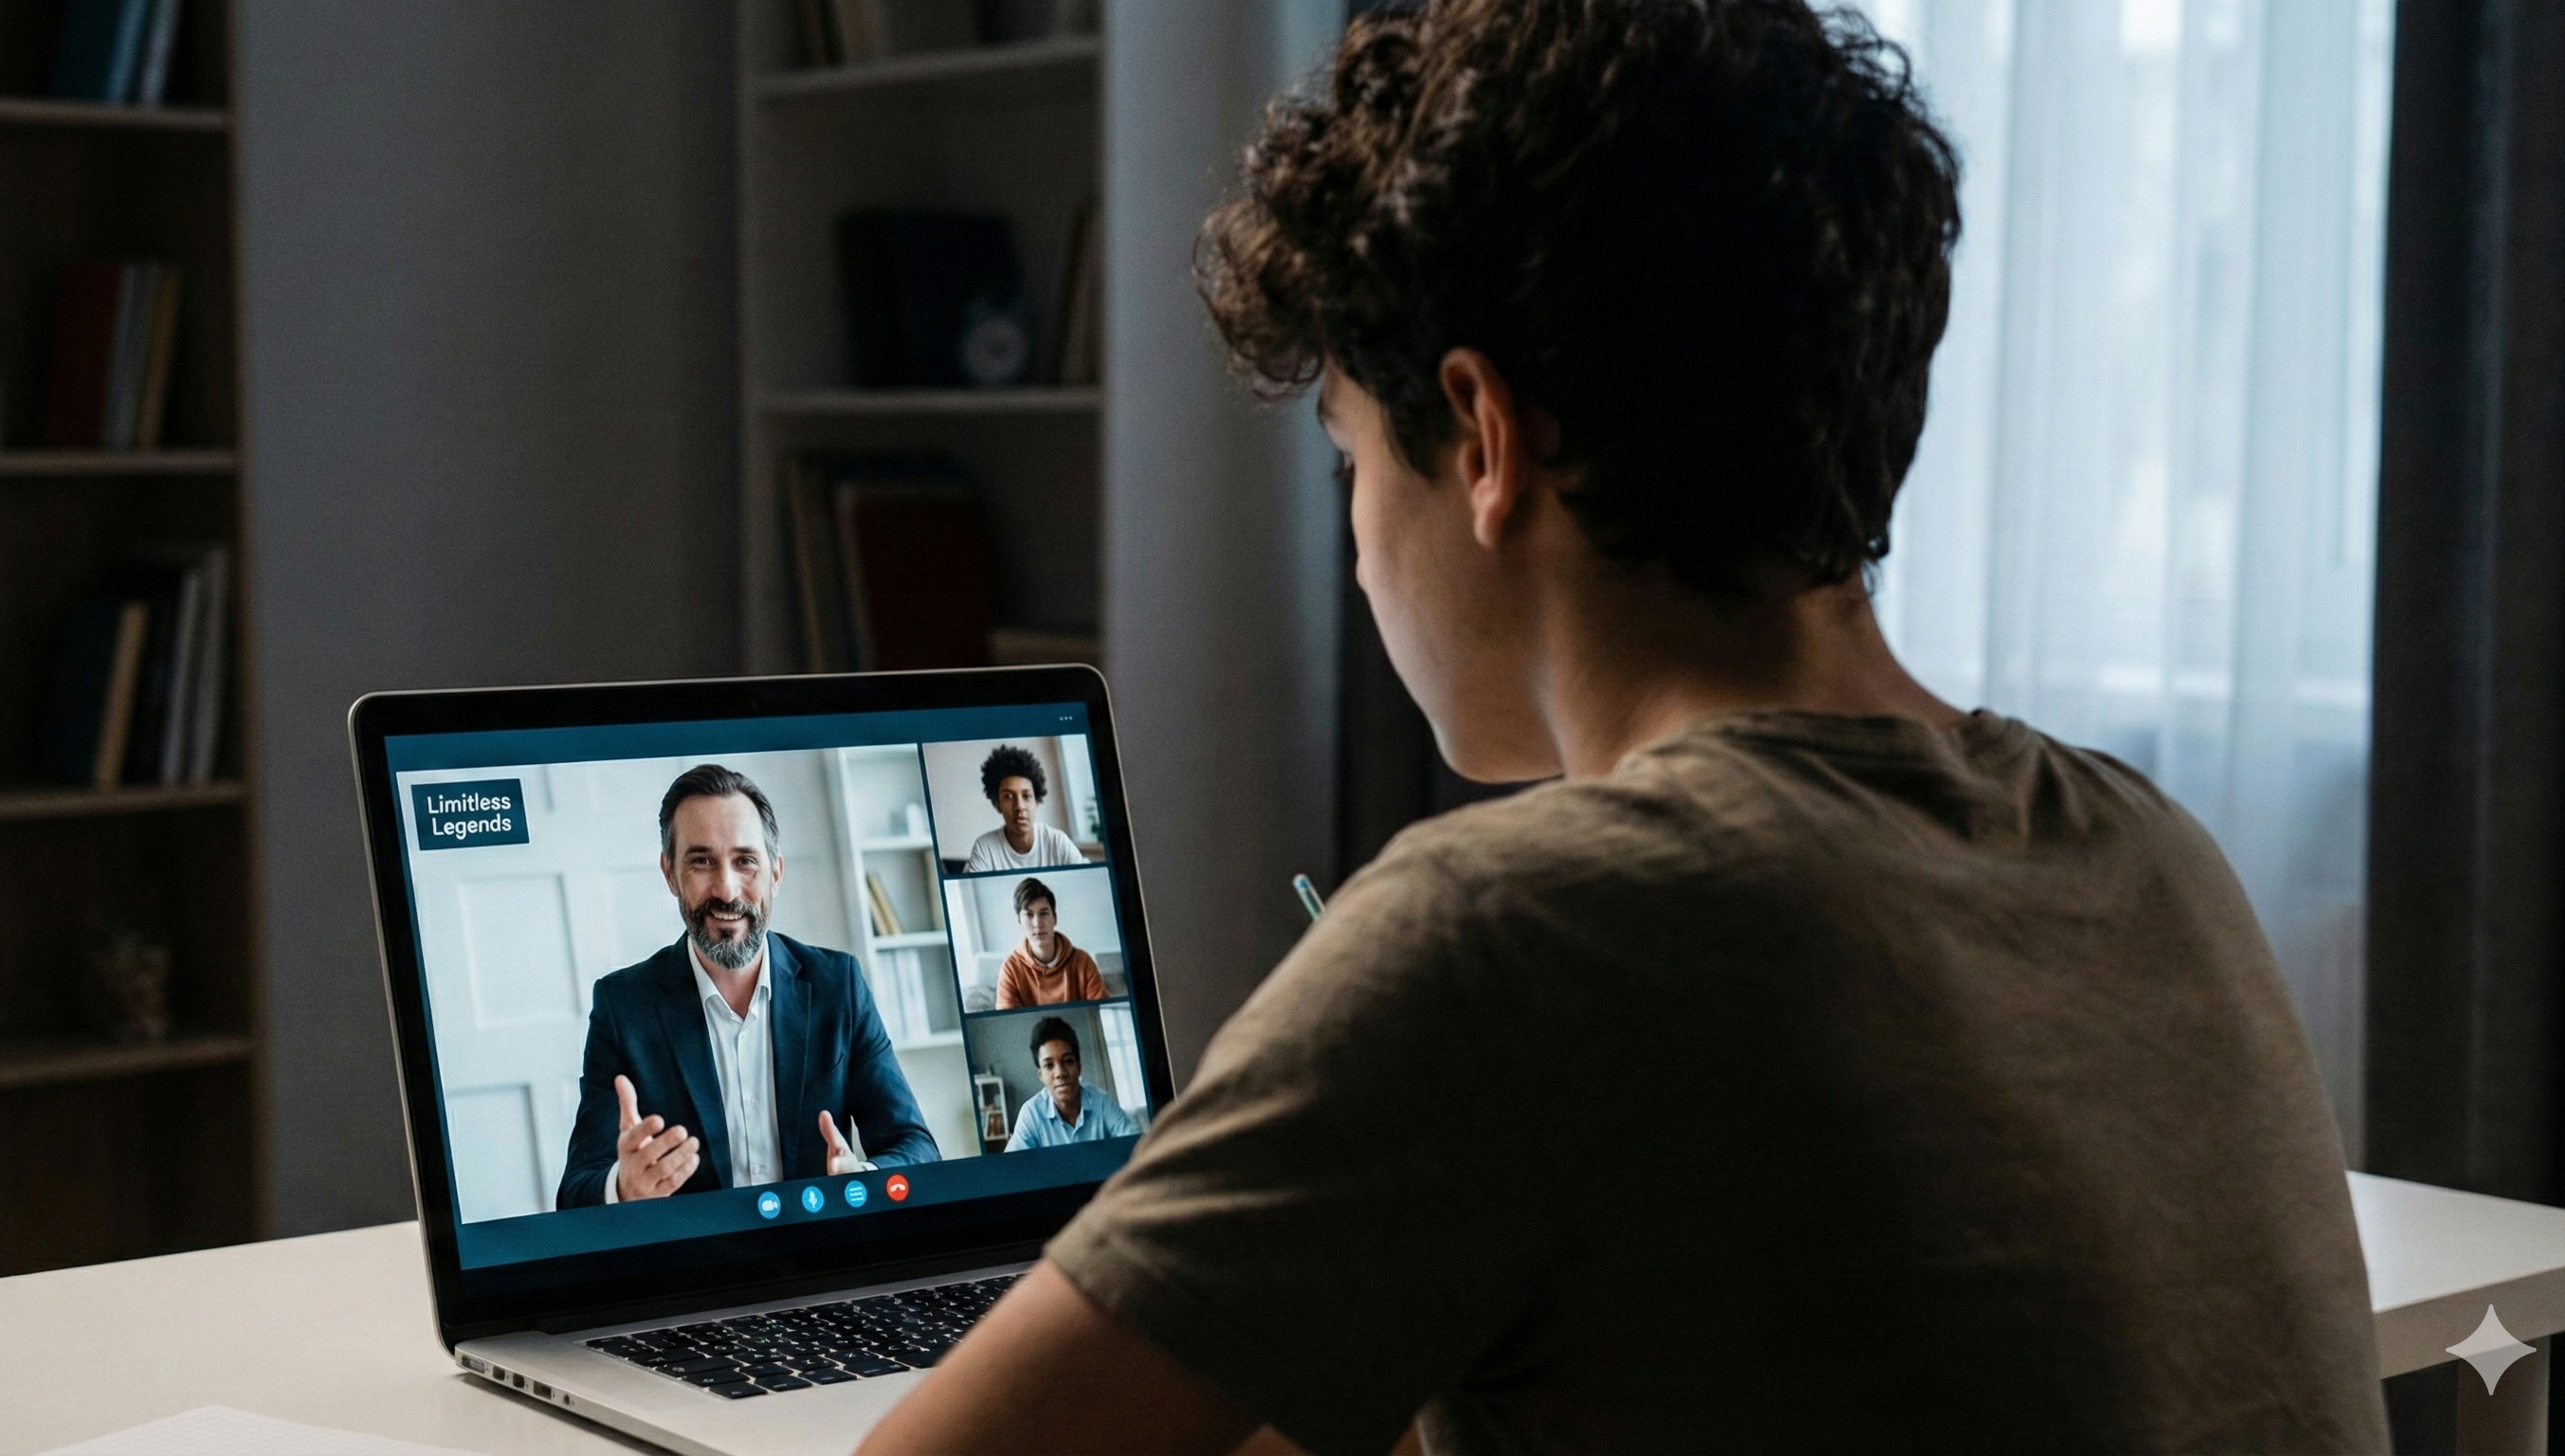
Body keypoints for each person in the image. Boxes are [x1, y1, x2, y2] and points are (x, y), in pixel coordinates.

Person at [864, 1, 2386, 1452]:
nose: (1357, 549)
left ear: (1481, 439)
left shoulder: (1518, 932)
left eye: (1349, 468)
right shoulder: (2143, 845)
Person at [556, 765, 937, 1208]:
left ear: (775, 872)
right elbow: (575, 1194)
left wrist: (864, 1179)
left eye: (745, 861)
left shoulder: (839, 985)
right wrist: (623, 1187)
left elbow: (917, 1146)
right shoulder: (623, 1007)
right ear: (670, 873)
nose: (727, 888)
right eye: (701, 861)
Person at [1001, 1016, 1138, 1152]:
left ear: (1079, 1066)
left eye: (1068, 1061)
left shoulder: (1102, 1102)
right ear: (1040, 1075)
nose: (1060, 1073)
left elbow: (1137, 1145)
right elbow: (1012, 1166)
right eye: (1049, 1065)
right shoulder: (1031, 1114)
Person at [962, 743, 1088, 871]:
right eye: (1009, 797)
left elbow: (1086, 879)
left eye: (1027, 796)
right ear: (997, 805)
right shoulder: (985, 848)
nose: (1020, 806)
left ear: (1036, 801)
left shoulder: (1057, 842)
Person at [992, 878, 1110, 1009]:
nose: (1038, 924)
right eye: (1029, 915)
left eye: (1044, 913)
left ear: (1055, 918)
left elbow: (1104, 1011)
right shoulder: (1010, 969)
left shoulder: (1083, 961)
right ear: (1019, 921)